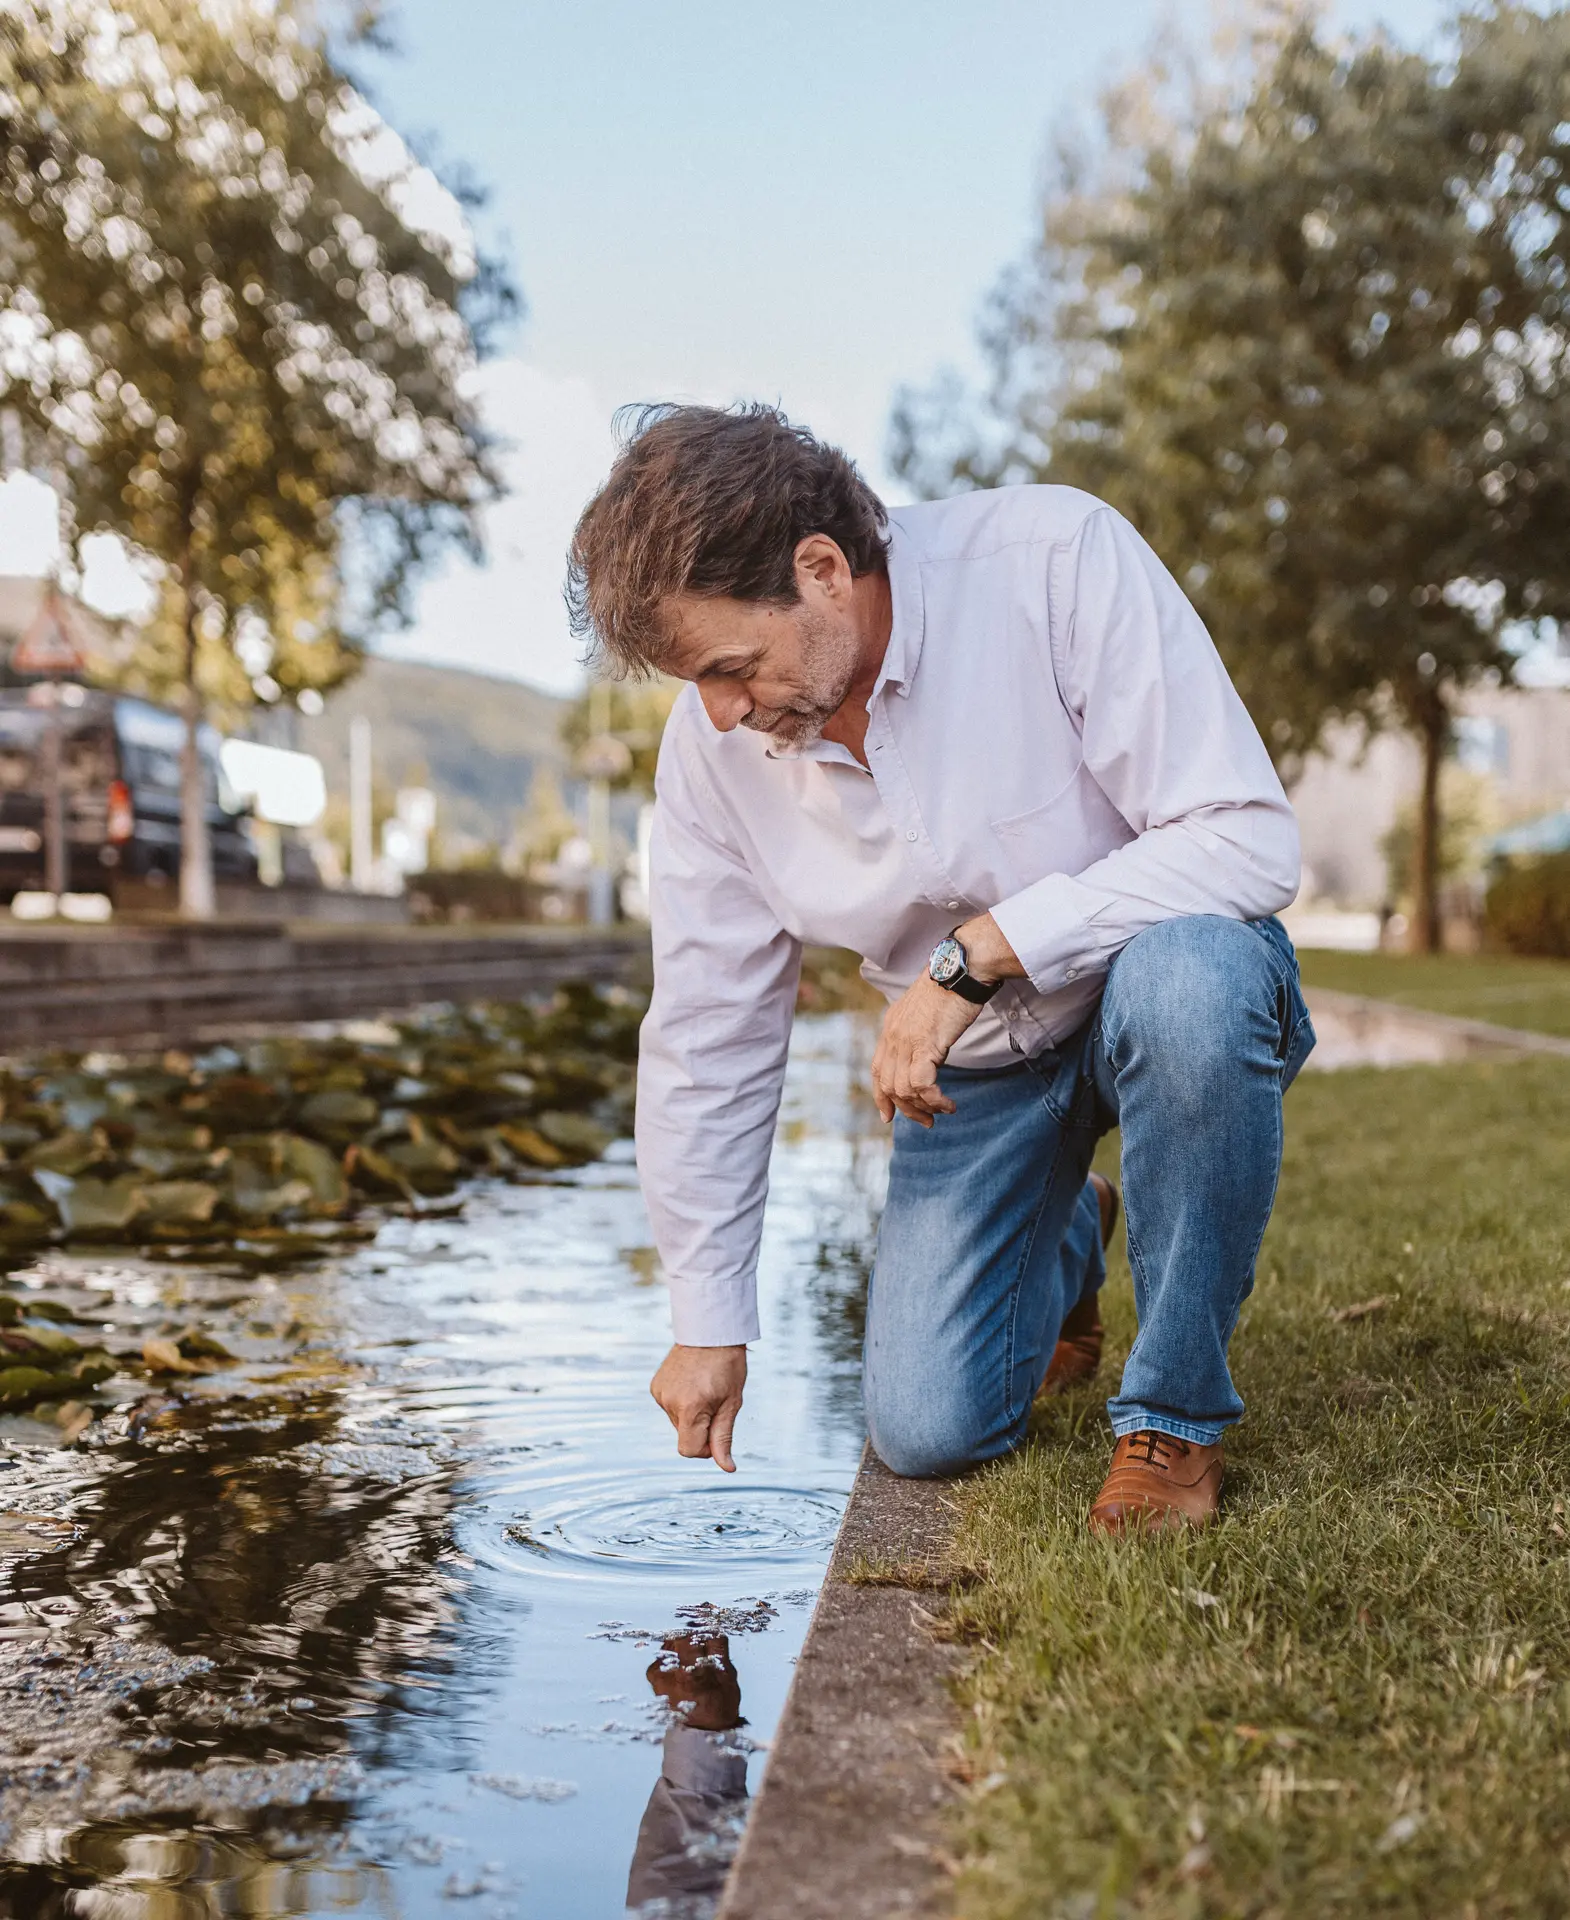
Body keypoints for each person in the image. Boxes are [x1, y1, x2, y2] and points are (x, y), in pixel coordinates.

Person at [567, 404, 1315, 1534]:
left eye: (729, 667)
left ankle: (1169, 1425)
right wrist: (707, 1314)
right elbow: (708, 1030)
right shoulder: (711, 755)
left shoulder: (1053, 562)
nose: (719, 713)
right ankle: (1070, 1227)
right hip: (983, 1077)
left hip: (1150, 987)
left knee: (1196, 987)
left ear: (820, 570)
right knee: (925, 1433)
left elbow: (1245, 838)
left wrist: (979, 953)